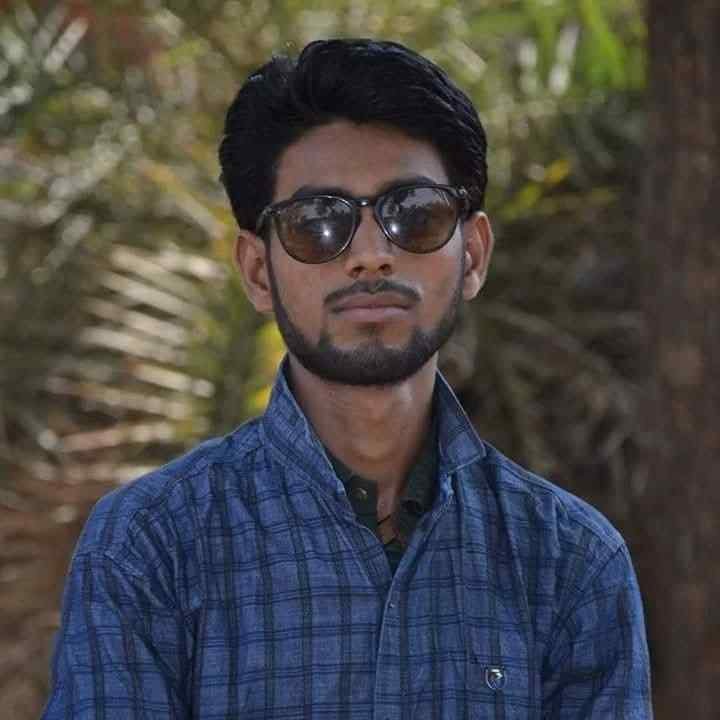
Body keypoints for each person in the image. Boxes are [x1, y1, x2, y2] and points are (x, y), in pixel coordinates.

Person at [42, 38, 653, 719]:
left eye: (413, 214)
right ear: (257, 271)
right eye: (317, 223)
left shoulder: (571, 560)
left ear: (473, 255)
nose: (370, 255)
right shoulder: (150, 545)